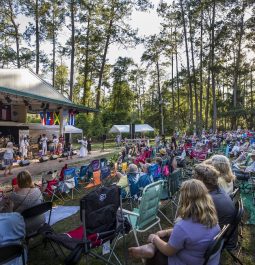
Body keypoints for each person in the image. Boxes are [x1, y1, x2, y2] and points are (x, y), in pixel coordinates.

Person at [129, 179, 221, 265]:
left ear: (185, 200)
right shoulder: (211, 218)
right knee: (168, 235)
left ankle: (151, 249)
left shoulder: (183, 226)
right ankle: (151, 247)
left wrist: (154, 239)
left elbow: (168, 251)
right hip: (205, 258)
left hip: (189, 262)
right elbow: (190, 233)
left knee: (155, 257)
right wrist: (166, 232)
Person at [193, 163, 236, 228]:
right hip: (221, 231)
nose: (193, 182)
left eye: (194, 179)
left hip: (215, 234)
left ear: (200, 180)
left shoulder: (208, 200)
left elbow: (195, 224)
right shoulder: (218, 191)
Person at [9, 170, 45, 236]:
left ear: (18, 181)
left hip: (23, 226)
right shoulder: (37, 190)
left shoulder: (14, 195)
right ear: (30, 179)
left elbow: (10, 213)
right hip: (41, 221)